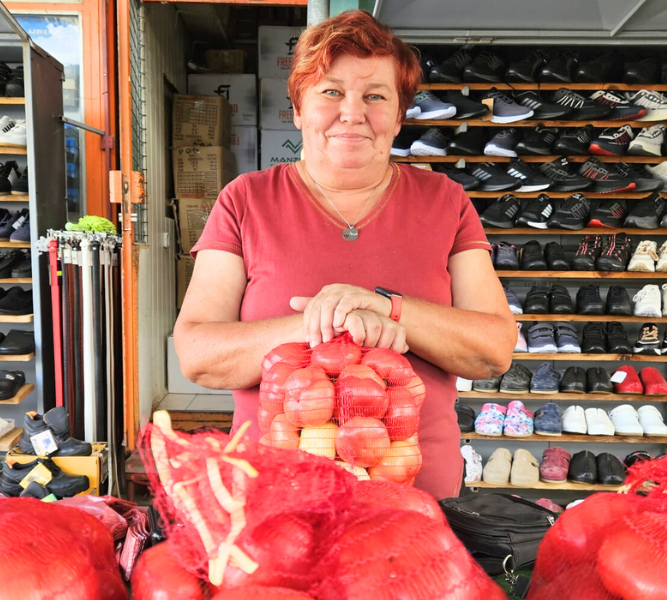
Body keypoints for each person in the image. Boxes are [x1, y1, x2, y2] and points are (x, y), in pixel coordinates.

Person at [173, 9, 516, 498]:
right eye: (331, 92)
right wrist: (327, 322)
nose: (352, 112)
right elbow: (199, 355)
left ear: (398, 116)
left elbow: (493, 350)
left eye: (375, 96)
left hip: (414, 493)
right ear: (298, 109)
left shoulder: (445, 201)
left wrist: (388, 309)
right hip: (276, 494)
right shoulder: (245, 200)